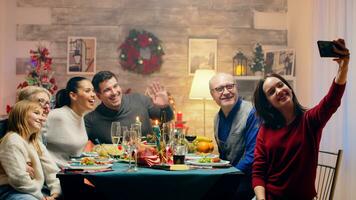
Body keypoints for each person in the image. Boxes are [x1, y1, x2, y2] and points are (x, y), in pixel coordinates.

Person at [252, 39, 349, 200]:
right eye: (271, 92)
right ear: (268, 104)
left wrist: (343, 65)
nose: (279, 91)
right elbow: (258, 171)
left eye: (281, 85)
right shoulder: (265, 129)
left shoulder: (310, 121)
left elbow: (332, 99)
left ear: (289, 88)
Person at [84, 71, 174, 144]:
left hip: (146, 163)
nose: (114, 92)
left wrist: (165, 107)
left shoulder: (140, 100)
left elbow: (167, 118)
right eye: (107, 90)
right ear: (98, 96)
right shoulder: (91, 120)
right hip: (112, 166)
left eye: (115, 86)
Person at [209, 73, 260, 200]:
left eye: (230, 86)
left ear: (236, 88)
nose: (226, 92)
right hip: (231, 177)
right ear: (212, 95)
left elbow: (252, 156)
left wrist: (227, 177)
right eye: (219, 89)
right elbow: (224, 156)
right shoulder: (217, 118)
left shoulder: (252, 113)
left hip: (249, 180)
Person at [0, 100, 61, 200]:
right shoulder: (12, 140)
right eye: (37, 113)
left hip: (33, 190)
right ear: (21, 115)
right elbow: (19, 179)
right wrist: (42, 197)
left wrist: (56, 193)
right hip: (10, 190)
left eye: (42, 115)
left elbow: (52, 171)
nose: (42, 118)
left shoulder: (36, 143)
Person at [42, 77, 96, 167]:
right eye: (87, 91)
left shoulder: (80, 116)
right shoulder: (57, 116)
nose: (93, 94)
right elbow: (30, 138)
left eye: (93, 91)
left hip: (74, 171)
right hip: (56, 174)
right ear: (73, 95)